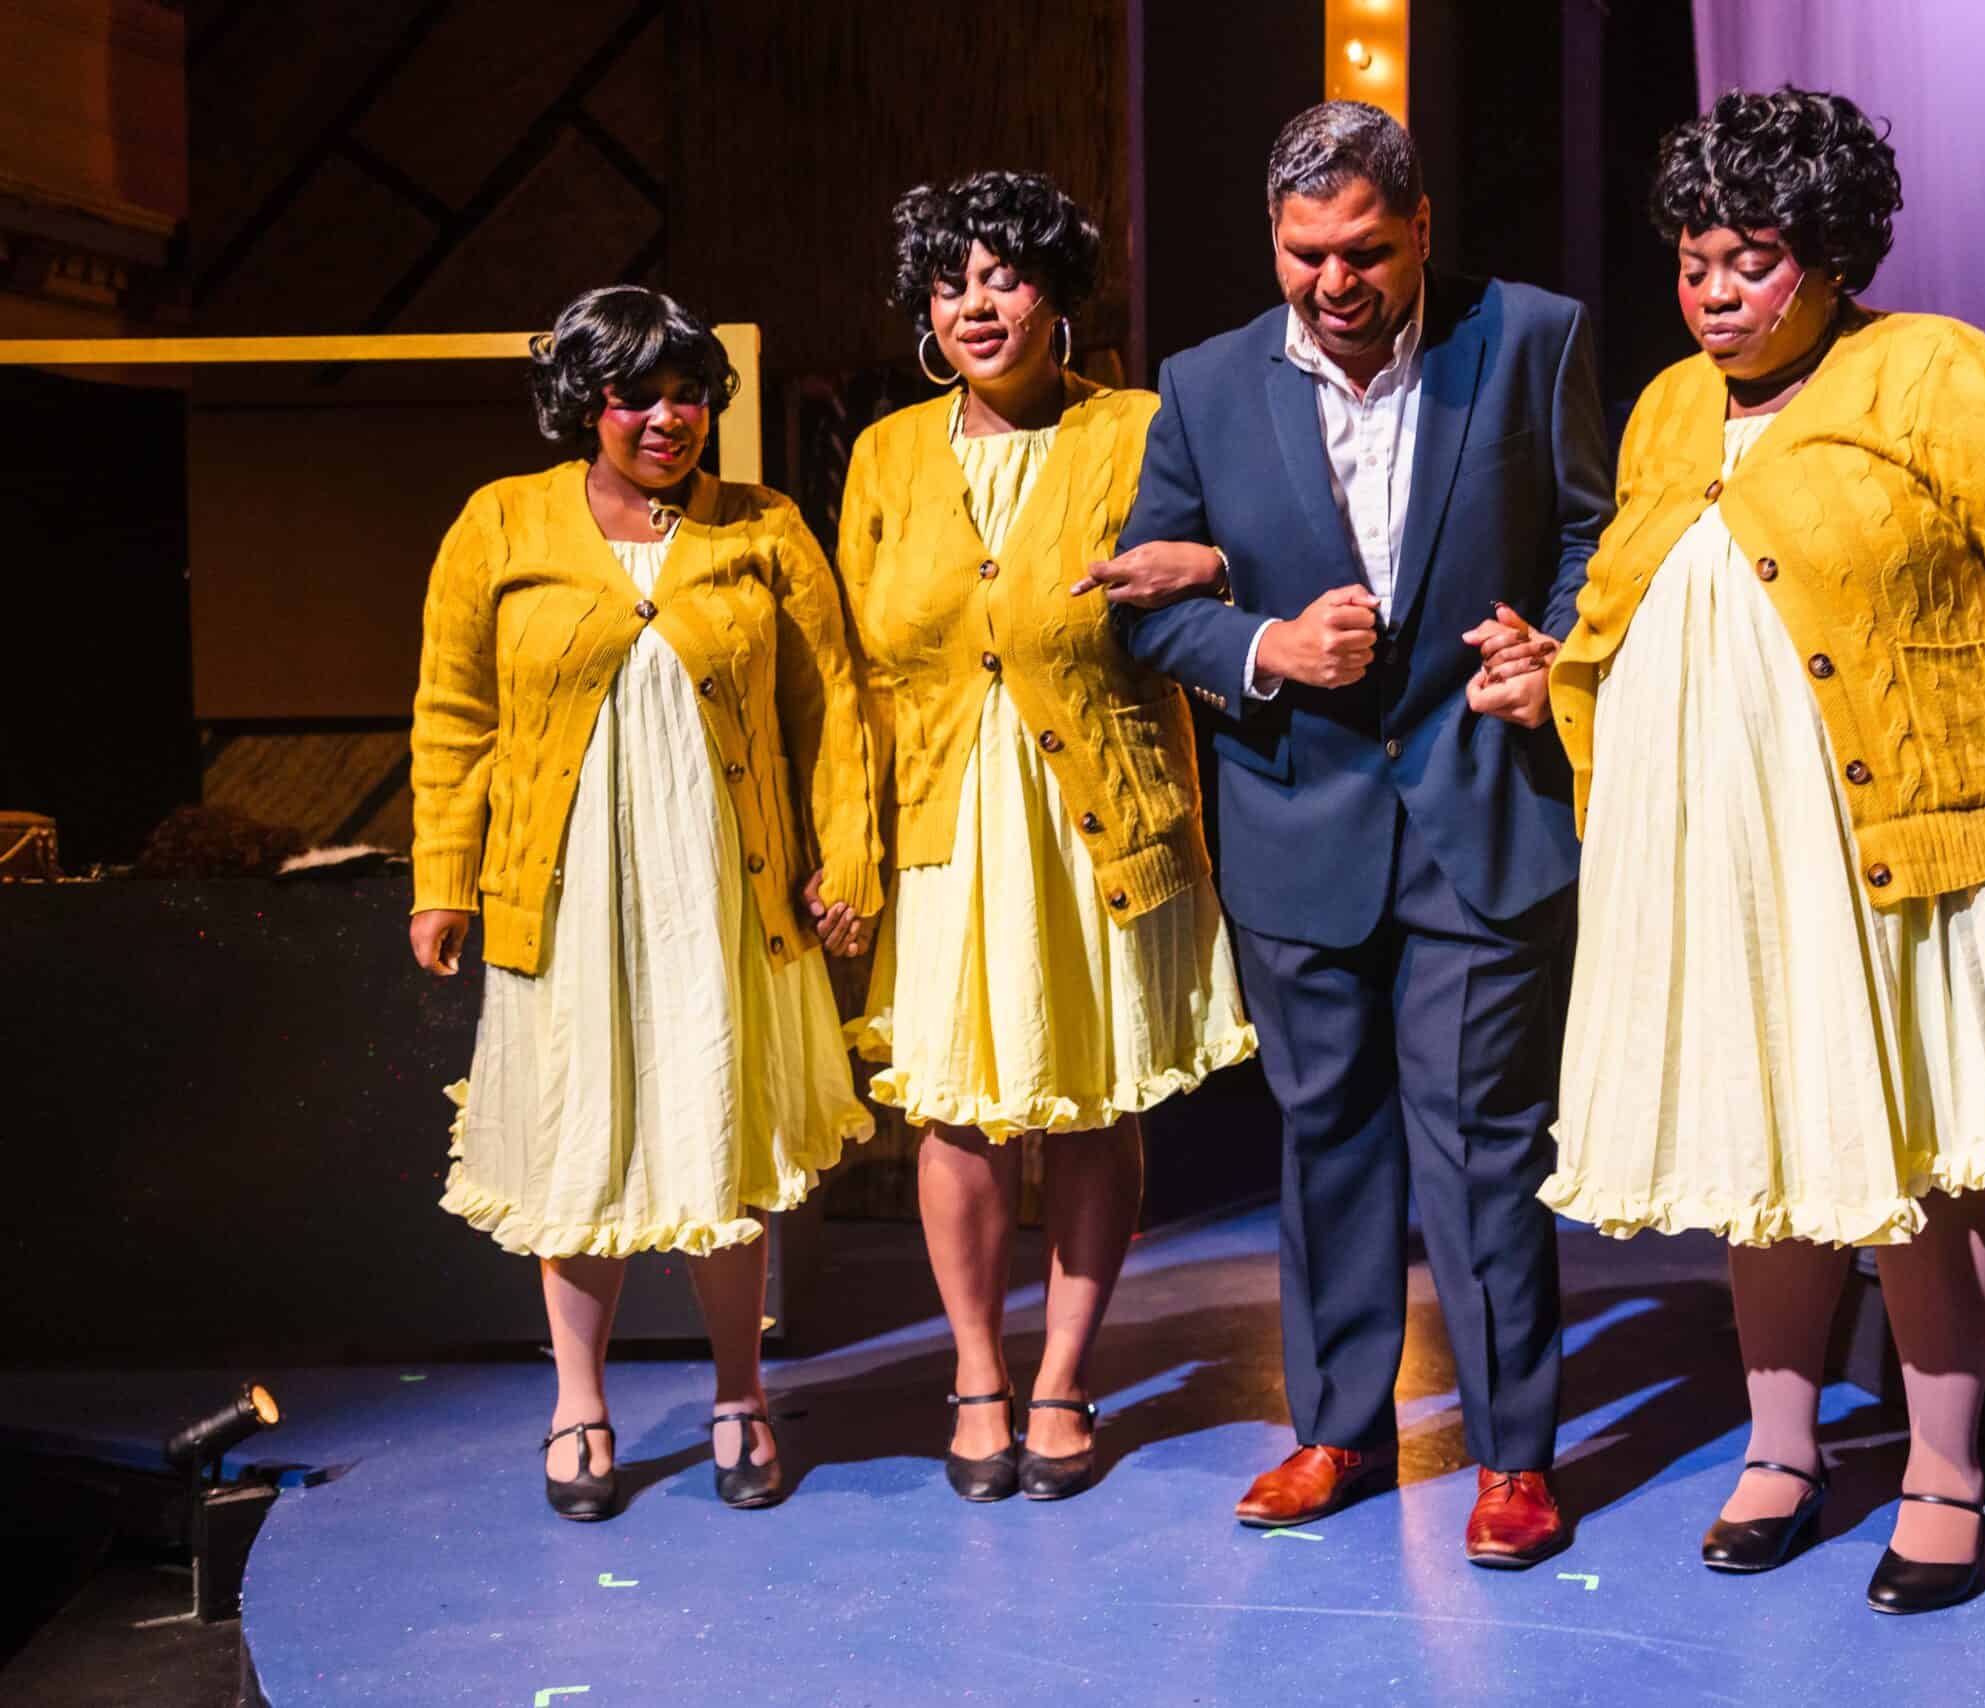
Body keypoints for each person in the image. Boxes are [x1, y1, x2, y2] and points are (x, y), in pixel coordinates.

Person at [1539, 88, 1985, 1613]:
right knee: (1765, 1150)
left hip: (1884, 840)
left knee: (1916, 1155)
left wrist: (1942, 719)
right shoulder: (1668, 408)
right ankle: (1782, 1450)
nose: (1715, 293)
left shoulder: (1935, 369)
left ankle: (1942, 1473)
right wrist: (1563, 680)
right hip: (1722, 852)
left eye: (1751, 260)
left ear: (1834, 254)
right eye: (1693, 261)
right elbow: (1630, 599)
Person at [1094, 102, 1610, 1568]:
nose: (1334, 281)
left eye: (1366, 251)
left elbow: (1596, 533)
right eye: (1304, 252)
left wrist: (1558, 648)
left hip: (1482, 810)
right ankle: (1336, 1430)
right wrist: (1263, 645)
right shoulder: (1202, 385)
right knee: (1325, 1139)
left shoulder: (1532, 338)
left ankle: (1514, 1456)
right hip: (1295, 829)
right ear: (1273, 240)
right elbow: (1146, 609)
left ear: (1422, 229)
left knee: (1483, 1145)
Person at [410, 285, 880, 1521]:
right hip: (565, 894)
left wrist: (846, 857)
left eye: (688, 395)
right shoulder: (499, 522)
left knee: (721, 1126)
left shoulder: (765, 524)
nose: (667, 419)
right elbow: (454, 718)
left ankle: (740, 1393)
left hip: (722, 887)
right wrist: (442, 878)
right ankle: (580, 1399)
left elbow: (830, 704)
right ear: (585, 403)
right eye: (636, 397)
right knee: (579, 1135)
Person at [838, 171, 1256, 1504]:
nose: (975, 305)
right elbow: (855, 676)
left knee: (1089, 1105)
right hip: (941, 821)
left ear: (1058, 295)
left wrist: (1214, 566)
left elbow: (1243, 557)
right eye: (949, 283)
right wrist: (846, 845)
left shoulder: (1137, 428)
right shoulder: (885, 455)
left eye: (1004, 277)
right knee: (956, 1114)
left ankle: (1067, 1373)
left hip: (1098, 820)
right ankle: (977, 1376)